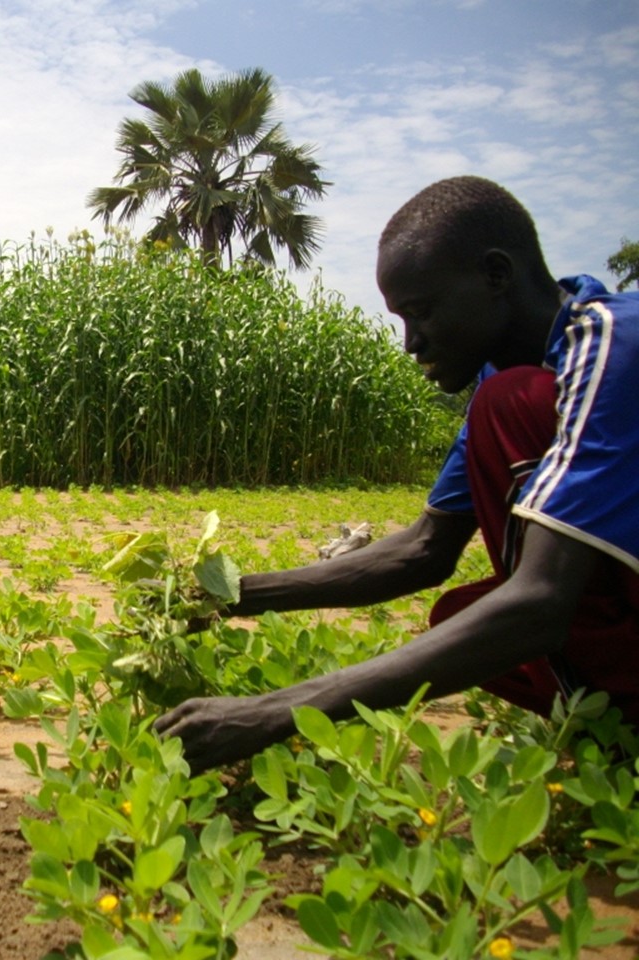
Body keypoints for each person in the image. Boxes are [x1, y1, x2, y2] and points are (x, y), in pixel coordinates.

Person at [154, 176, 639, 774]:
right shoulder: (504, 371)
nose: (411, 343)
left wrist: (276, 711)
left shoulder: (610, 347)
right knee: (461, 615)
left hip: (560, 595)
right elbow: (425, 550)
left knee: (512, 406)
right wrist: (223, 596)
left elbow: (540, 600)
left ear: (495, 275)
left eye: (422, 312)